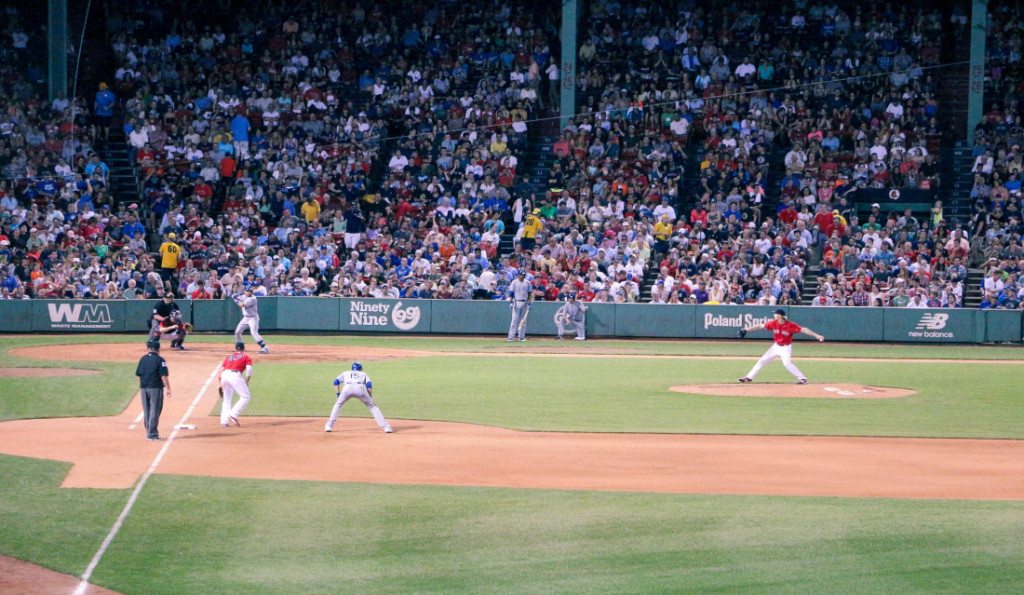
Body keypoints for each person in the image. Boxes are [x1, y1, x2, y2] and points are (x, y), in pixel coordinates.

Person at [736, 308, 824, 384]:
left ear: (780, 315)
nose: (774, 315)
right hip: (776, 347)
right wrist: (746, 330)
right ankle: (749, 377)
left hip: (785, 348)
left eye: (775, 314)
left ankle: (802, 378)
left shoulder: (790, 325)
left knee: (787, 363)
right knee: (762, 361)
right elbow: (760, 326)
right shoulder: (773, 323)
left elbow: (803, 329)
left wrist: (817, 335)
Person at [325, 362, 393, 433]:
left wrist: (338, 394)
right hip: (360, 388)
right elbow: (369, 385)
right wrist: (370, 397)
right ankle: (386, 427)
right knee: (372, 407)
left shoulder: (346, 373)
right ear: (360, 369)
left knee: (338, 405)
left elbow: (336, 382)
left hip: (347, 388)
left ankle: (329, 426)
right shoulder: (363, 374)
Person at [135, 339, 171, 441]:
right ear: (158, 349)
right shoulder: (160, 360)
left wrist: (142, 387)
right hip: (155, 388)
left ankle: (149, 432)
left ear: (149, 348)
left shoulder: (143, 359)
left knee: (147, 411)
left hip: (143, 388)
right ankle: (152, 435)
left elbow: (139, 375)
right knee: (154, 411)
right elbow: (164, 376)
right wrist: (168, 389)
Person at [219, 342, 253, 427]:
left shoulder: (228, 357)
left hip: (224, 375)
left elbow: (221, 370)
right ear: (243, 349)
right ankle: (233, 414)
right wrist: (247, 380)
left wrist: (220, 384)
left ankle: (224, 422)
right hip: (234, 375)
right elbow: (249, 370)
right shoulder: (246, 357)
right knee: (246, 397)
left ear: (235, 348)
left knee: (226, 399)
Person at [234, 287, 269, 353]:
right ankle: (240, 346)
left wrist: (234, 299)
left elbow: (242, 305)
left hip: (253, 318)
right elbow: (238, 297)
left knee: (254, 332)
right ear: (245, 291)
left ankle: (265, 348)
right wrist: (236, 295)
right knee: (237, 332)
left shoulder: (253, 299)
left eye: (250, 291)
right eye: (247, 291)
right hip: (246, 318)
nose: (249, 292)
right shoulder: (243, 296)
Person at [506, 269, 533, 342]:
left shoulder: (528, 283)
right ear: (518, 275)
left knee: (523, 321)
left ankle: (521, 337)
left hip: (525, 302)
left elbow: (530, 294)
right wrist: (511, 302)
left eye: (523, 274)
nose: (522, 276)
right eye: (521, 274)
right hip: (517, 301)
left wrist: (530, 303)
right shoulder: (514, 282)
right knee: (514, 320)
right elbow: (511, 293)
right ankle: (510, 337)